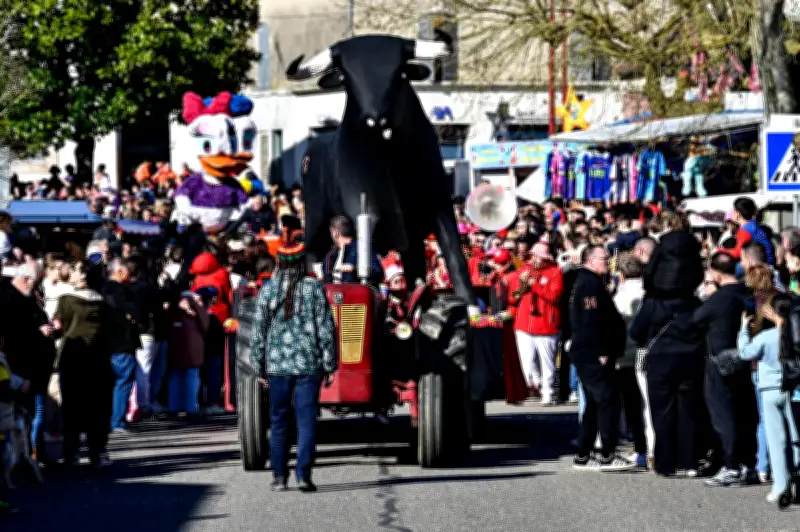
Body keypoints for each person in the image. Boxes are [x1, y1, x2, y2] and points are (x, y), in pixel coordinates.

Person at [250, 241, 337, 492]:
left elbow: (258, 332)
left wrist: (258, 366)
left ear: (278, 262)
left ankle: (279, 476)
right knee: (306, 420)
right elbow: (326, 328)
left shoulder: (268, 290)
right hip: (309, 364)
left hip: (277, 365)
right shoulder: (314, 288)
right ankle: (303, 476)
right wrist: (330, 363)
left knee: (279, 420)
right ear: (302, 262)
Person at [693, 251, 758, 487]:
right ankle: (749, 464)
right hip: (746, 358)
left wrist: (707, 294)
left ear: (716, 273)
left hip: (719, 360)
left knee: (723, 415)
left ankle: (731, 466)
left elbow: (697, 318)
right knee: (745, 413)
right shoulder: (747, 292)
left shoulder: (720, 298)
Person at [565, 244, 632, 471]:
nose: (608, 263)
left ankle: (583, 454)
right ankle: (608, 454)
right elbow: (591, 320)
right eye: (604, 259)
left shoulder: (589, 281)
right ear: (590, 260)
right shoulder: (589, 283)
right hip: (593, 352)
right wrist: (602, 350)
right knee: (608, 400)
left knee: (594, 403)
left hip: (589, 351)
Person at [736, 272, 800, 504]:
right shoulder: (794, 335)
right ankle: (797, 482)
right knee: (796, 438)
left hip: (769, 389)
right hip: (792, 388)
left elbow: (745, 352)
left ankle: (780, 485)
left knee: (776, 440)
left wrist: (743, 330)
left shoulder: (767, 337)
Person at [54, 260, 113, 467]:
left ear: (82, 276)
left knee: (71, 407)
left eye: (75, 270)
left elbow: (59, 325)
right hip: (98, 359)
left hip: (73, 357)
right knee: (97, 407)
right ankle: (97, 452)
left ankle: (70, 453)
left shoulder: (67, 300)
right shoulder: (103, 301)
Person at [507, 242, 563, 405]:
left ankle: (548, 392)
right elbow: (513, 297)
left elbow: (554, 296)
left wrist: (535, 285)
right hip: (524, 323)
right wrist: (522, 286)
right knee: (527, 361)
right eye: (534, 256)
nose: (535, 259)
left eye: (539, 257)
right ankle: (533, 386)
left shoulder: (555, 272)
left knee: (547, 362)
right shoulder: (524, 270)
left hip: (546, 324)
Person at [612, 253, 651, 469]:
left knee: (634, 406)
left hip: (627, 357)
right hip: (647, 353)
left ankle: (641, 450)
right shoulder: (648, 292)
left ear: (622, 274)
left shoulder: (620, 297)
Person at [103, 258, 141, 433]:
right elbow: (131, 310)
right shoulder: (119, 291)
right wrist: (133, 315)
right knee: (123, 381)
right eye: (126, 270)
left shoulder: (103, 289)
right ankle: (117, 420)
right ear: (118, 272)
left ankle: (112, 418)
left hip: (110, 342)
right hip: (122, 342)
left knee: (114, 382)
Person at [166, 291, 209, 416]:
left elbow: (205, 326)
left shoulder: (196, 312)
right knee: (178, 381)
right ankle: (175, 408)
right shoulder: (174, 312)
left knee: (190, 381)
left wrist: (197, 307)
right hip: (178, 354)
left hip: (191, 355)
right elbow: (167, 327)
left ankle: (190, 408)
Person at [323, 215, 383, 286]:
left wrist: (355, 269)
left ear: (335, 233)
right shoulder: (332, 253)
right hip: (335, 294)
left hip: (356, 293)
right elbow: (327, 278)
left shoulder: (362, 247)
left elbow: (378, 272)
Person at [728, 197, 776, 266]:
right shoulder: (754, 225)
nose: (731, 212)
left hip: (761, 266)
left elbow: (738, 253)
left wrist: (718, 250)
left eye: (733, 210)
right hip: (769, 263)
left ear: (738, 214)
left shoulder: (745, 230)